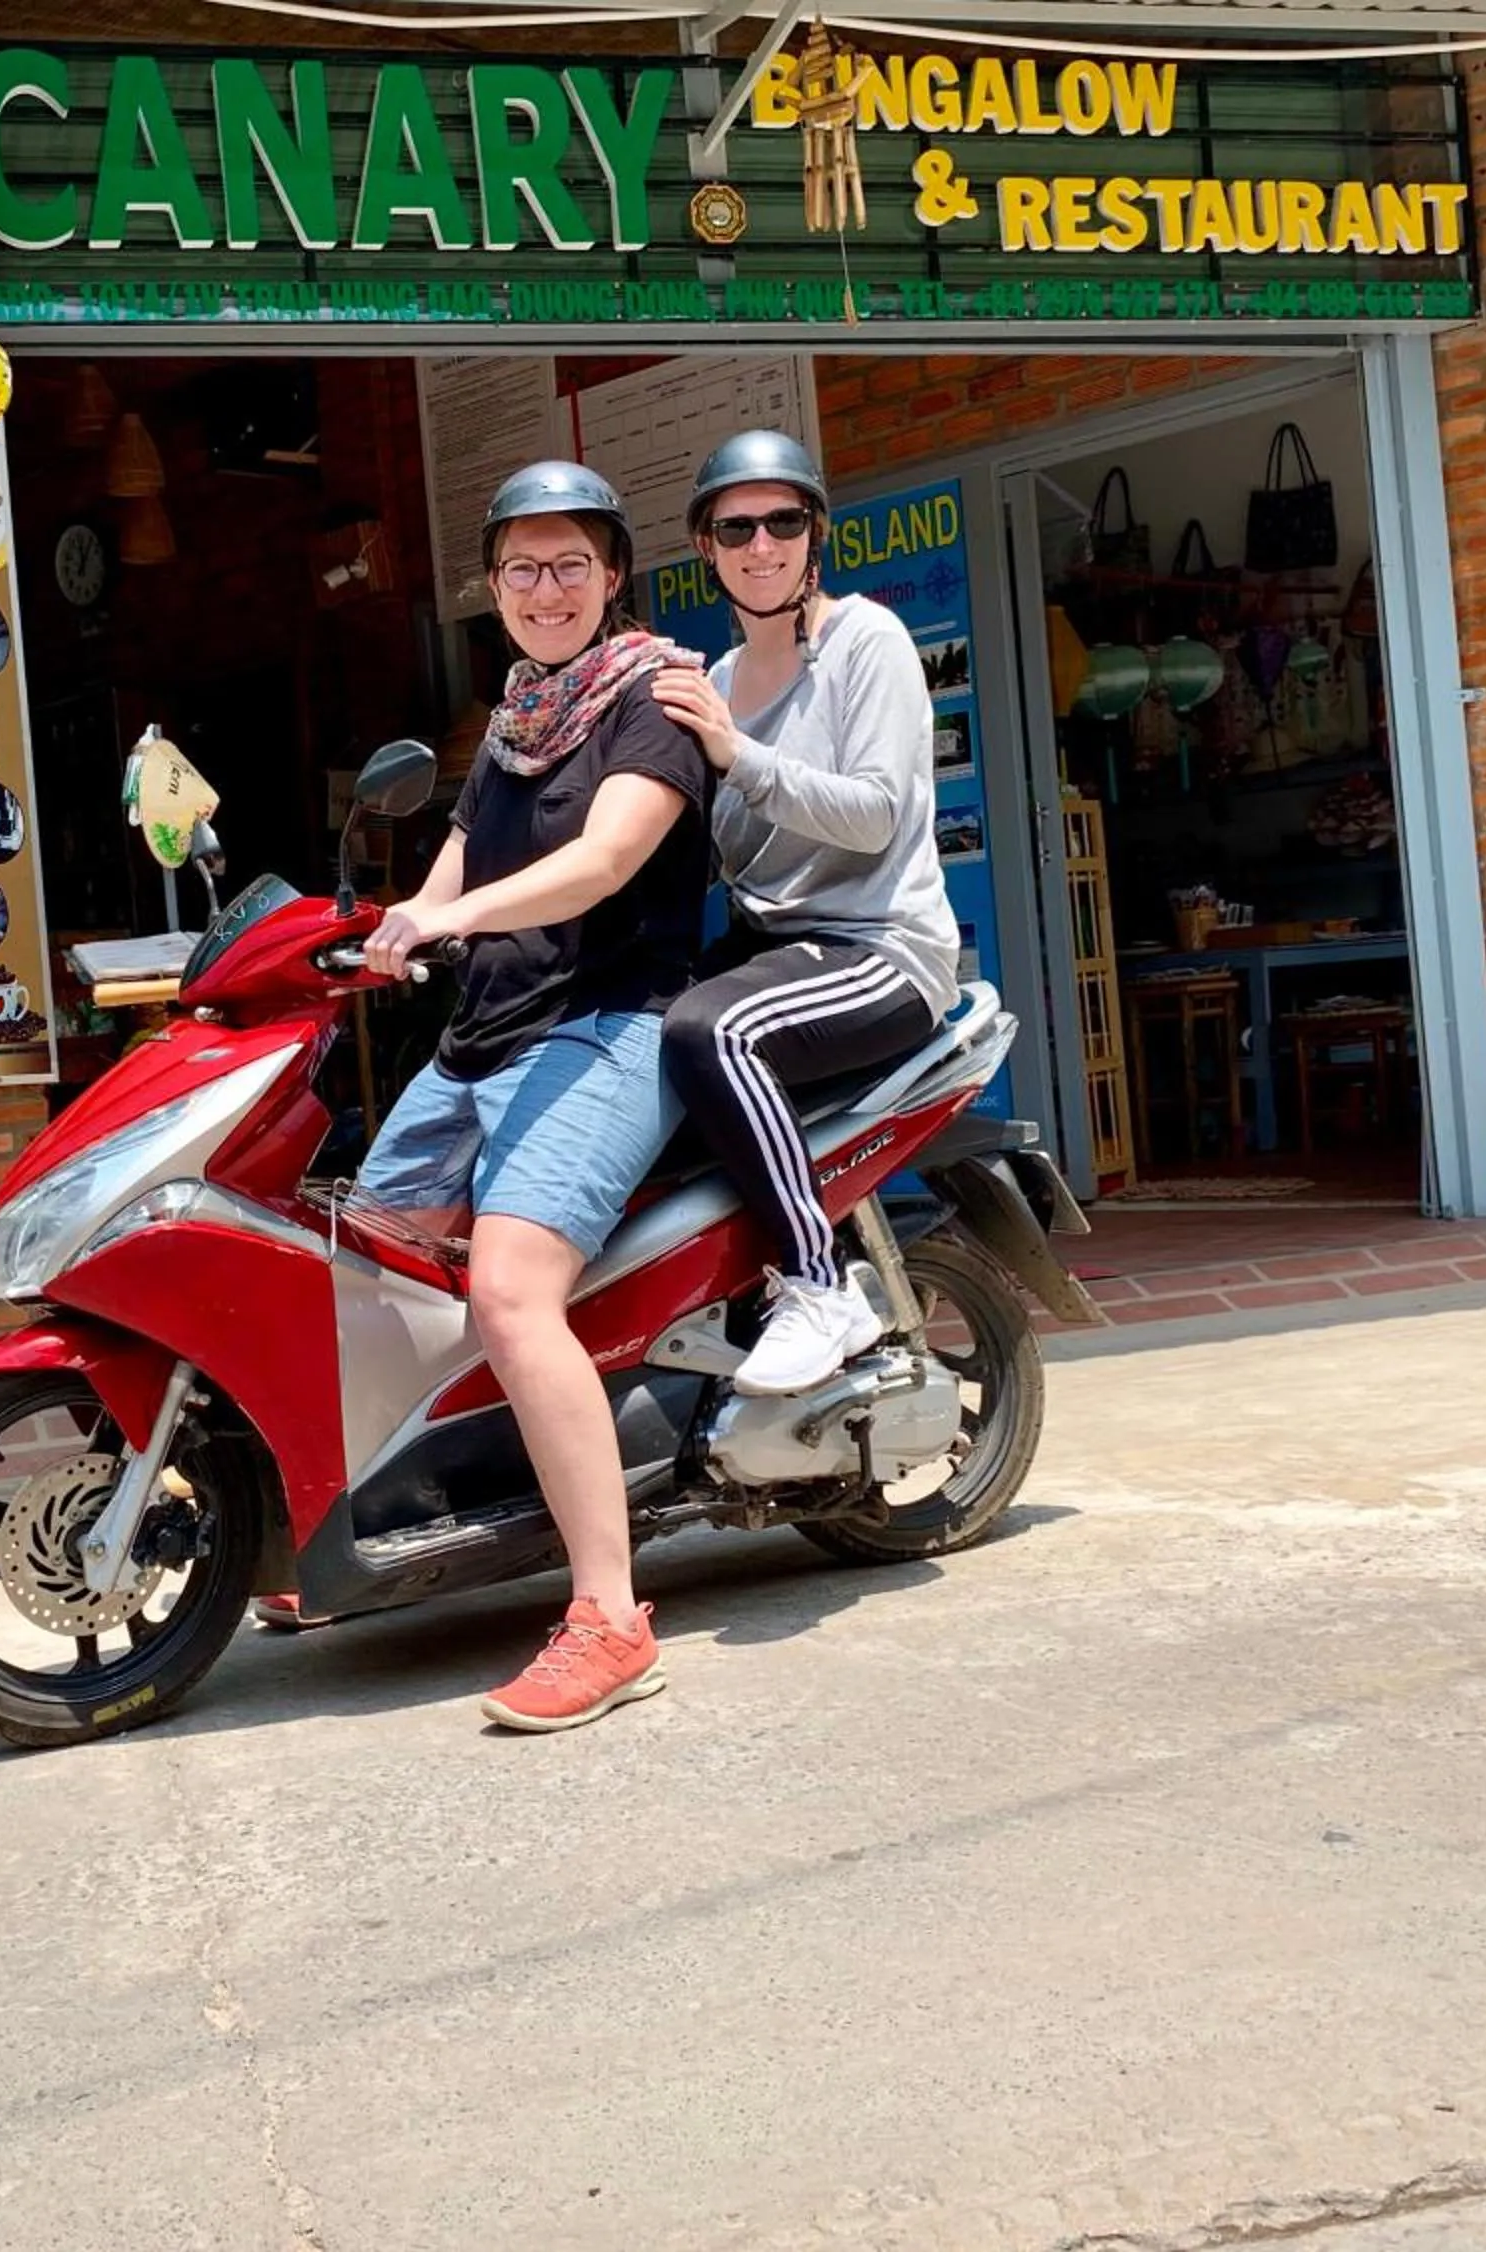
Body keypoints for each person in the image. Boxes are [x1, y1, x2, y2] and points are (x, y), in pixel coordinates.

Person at [350, 460, 713, 1732]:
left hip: (609, 1027)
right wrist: (388, 927)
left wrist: (445, 913)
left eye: (569, 564)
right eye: (521, 568)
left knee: (508, 1287)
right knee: (359, 1267)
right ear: (493, 589)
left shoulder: (652, 699)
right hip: (481, 1036)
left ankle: (610, 1616)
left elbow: (601, 861)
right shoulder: (516, 714)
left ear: (613, 576)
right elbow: (463, 852)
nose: (545, 588)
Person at [649, 431, 965, 1397]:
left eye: (782, 521)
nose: (761, 544)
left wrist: (733, 753)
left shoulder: (864, 642)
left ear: (812, 533)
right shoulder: (710, 680)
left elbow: (873, 816)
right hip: (772, 950)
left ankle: (818, 1286)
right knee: (615, 1046)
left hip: (879, 948)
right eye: (735, 527)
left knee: (711, 1034)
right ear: (707, 547)